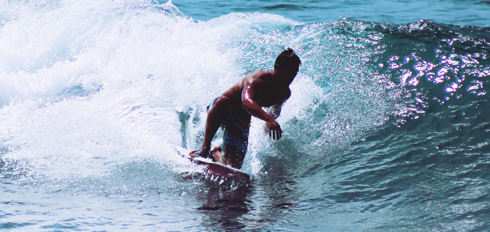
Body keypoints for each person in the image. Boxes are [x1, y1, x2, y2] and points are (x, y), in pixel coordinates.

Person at [191, 48, 301, 169]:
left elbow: (275, 111)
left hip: (241, 119)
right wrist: (269, 119)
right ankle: (205, 148)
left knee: (232, 166)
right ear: (278, 67)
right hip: (220, 110)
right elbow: (247, 103)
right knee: (223, 102)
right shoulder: (257, 79)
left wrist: (268, 126)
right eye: (289, 71)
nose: (292, 76)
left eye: (295, 72)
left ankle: (216, 152)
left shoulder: (284, 93)